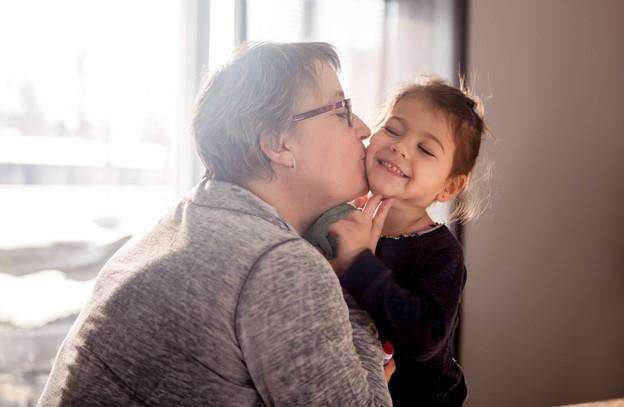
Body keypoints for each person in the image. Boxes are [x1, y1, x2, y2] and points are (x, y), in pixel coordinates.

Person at [37, 42, 394, 406]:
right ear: (277, 143)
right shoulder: (278, 264)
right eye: (340, 110)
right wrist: (355, 270)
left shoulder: (185, 220)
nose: (364, 128)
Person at [321, 78, 488, 406]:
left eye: (425, 149)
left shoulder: (440, 253)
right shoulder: (339, 216)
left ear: (450, 186)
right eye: (394, 130)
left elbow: (424, 338)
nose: (401, 147)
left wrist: (359, 263)